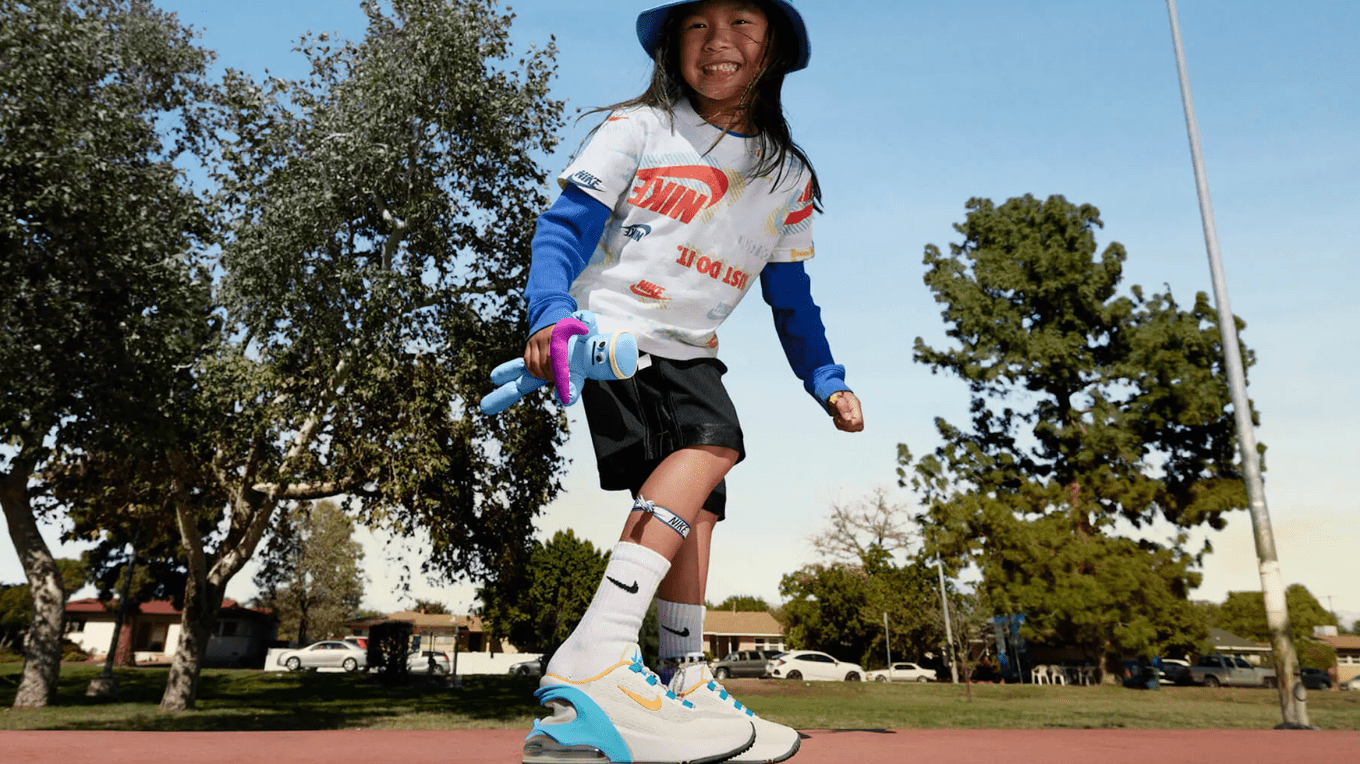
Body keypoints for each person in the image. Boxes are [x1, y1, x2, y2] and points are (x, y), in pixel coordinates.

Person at [519, 2, 862, 762]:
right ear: (673, 46)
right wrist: (549, 313)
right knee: (713, 440)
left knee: (700, 508)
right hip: (612, 333)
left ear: (774, 47)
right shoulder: (638, 128)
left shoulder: (787, 175)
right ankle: (596, 655)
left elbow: (792, 297)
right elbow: (564, 226)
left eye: (742, 24)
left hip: (691, 348)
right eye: (697, 26)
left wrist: (824, 376)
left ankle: (681, 678)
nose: (718, 42)